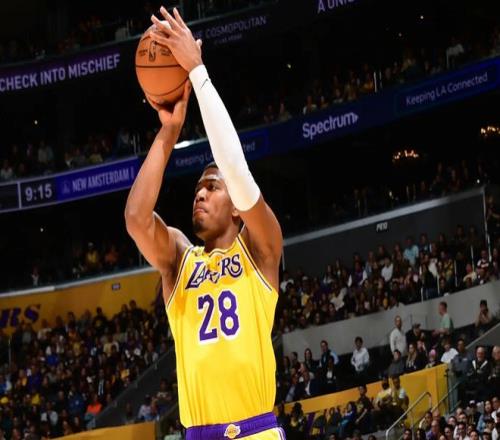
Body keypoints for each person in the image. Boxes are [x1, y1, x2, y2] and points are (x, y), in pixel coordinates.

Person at [126, 7, 284, 439]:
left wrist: (197, 72)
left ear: (236, 208)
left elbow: (235, 168)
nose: (200, 193)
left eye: (212, 187)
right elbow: (136, 219)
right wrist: (168, 133)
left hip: (255, 431)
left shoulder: (261, 249)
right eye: (198, 188)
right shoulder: (180, 259)